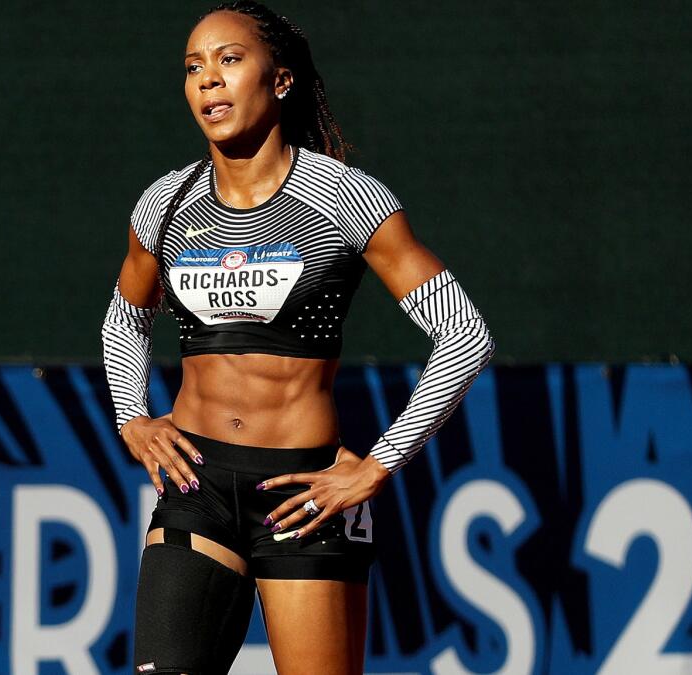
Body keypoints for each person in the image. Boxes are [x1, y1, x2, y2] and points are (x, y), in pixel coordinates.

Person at [102, 2, 494, 673]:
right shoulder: (164, 204)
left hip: (302, 499)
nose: (209, 81)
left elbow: (463, 332)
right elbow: (124, 317)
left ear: (279, 80)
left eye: (230, 60)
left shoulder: (344, 197)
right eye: (194, 67)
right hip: (194, 486)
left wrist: (377, 464)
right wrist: (131, 416)